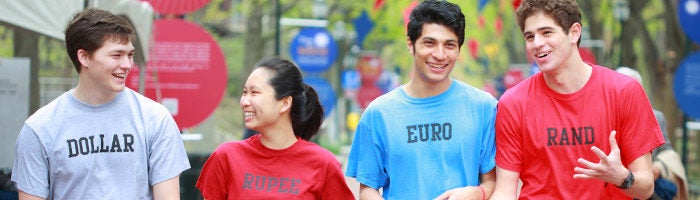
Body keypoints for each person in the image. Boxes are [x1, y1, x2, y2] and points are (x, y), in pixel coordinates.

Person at [491, 0, 666, 199]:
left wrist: (621, 177)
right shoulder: (513, 103)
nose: (537, 43)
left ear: (574, 32)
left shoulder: (624, 91)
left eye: (547, 32)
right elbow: (505, 191)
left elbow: (646, 188)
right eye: (530, 36)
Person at [11, 8, 191, 199]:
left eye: (130, 55)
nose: (127, 64)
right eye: (116, 55)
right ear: (84, 57)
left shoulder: (156, 119)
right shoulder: (40, 128)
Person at [345, 1, 498, 199]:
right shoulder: (378, 114)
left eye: (449, 45)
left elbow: (494, 180)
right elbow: (368, 187)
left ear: (459, 49)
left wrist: (478, 193)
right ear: (411, 44)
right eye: (429, 43)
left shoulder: (484, 108)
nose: (439, 55)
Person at [195, 57, 354, 199]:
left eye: (254, 92)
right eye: (244, 93)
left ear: (284, 103)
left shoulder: (323, 163)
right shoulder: (226, 157)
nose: (244, 101)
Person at [616, 67, 689, 200]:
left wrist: (658, 168)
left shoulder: (655, 117)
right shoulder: (607, 117)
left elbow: (666, 149)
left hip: (645, 185)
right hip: (615, 185)